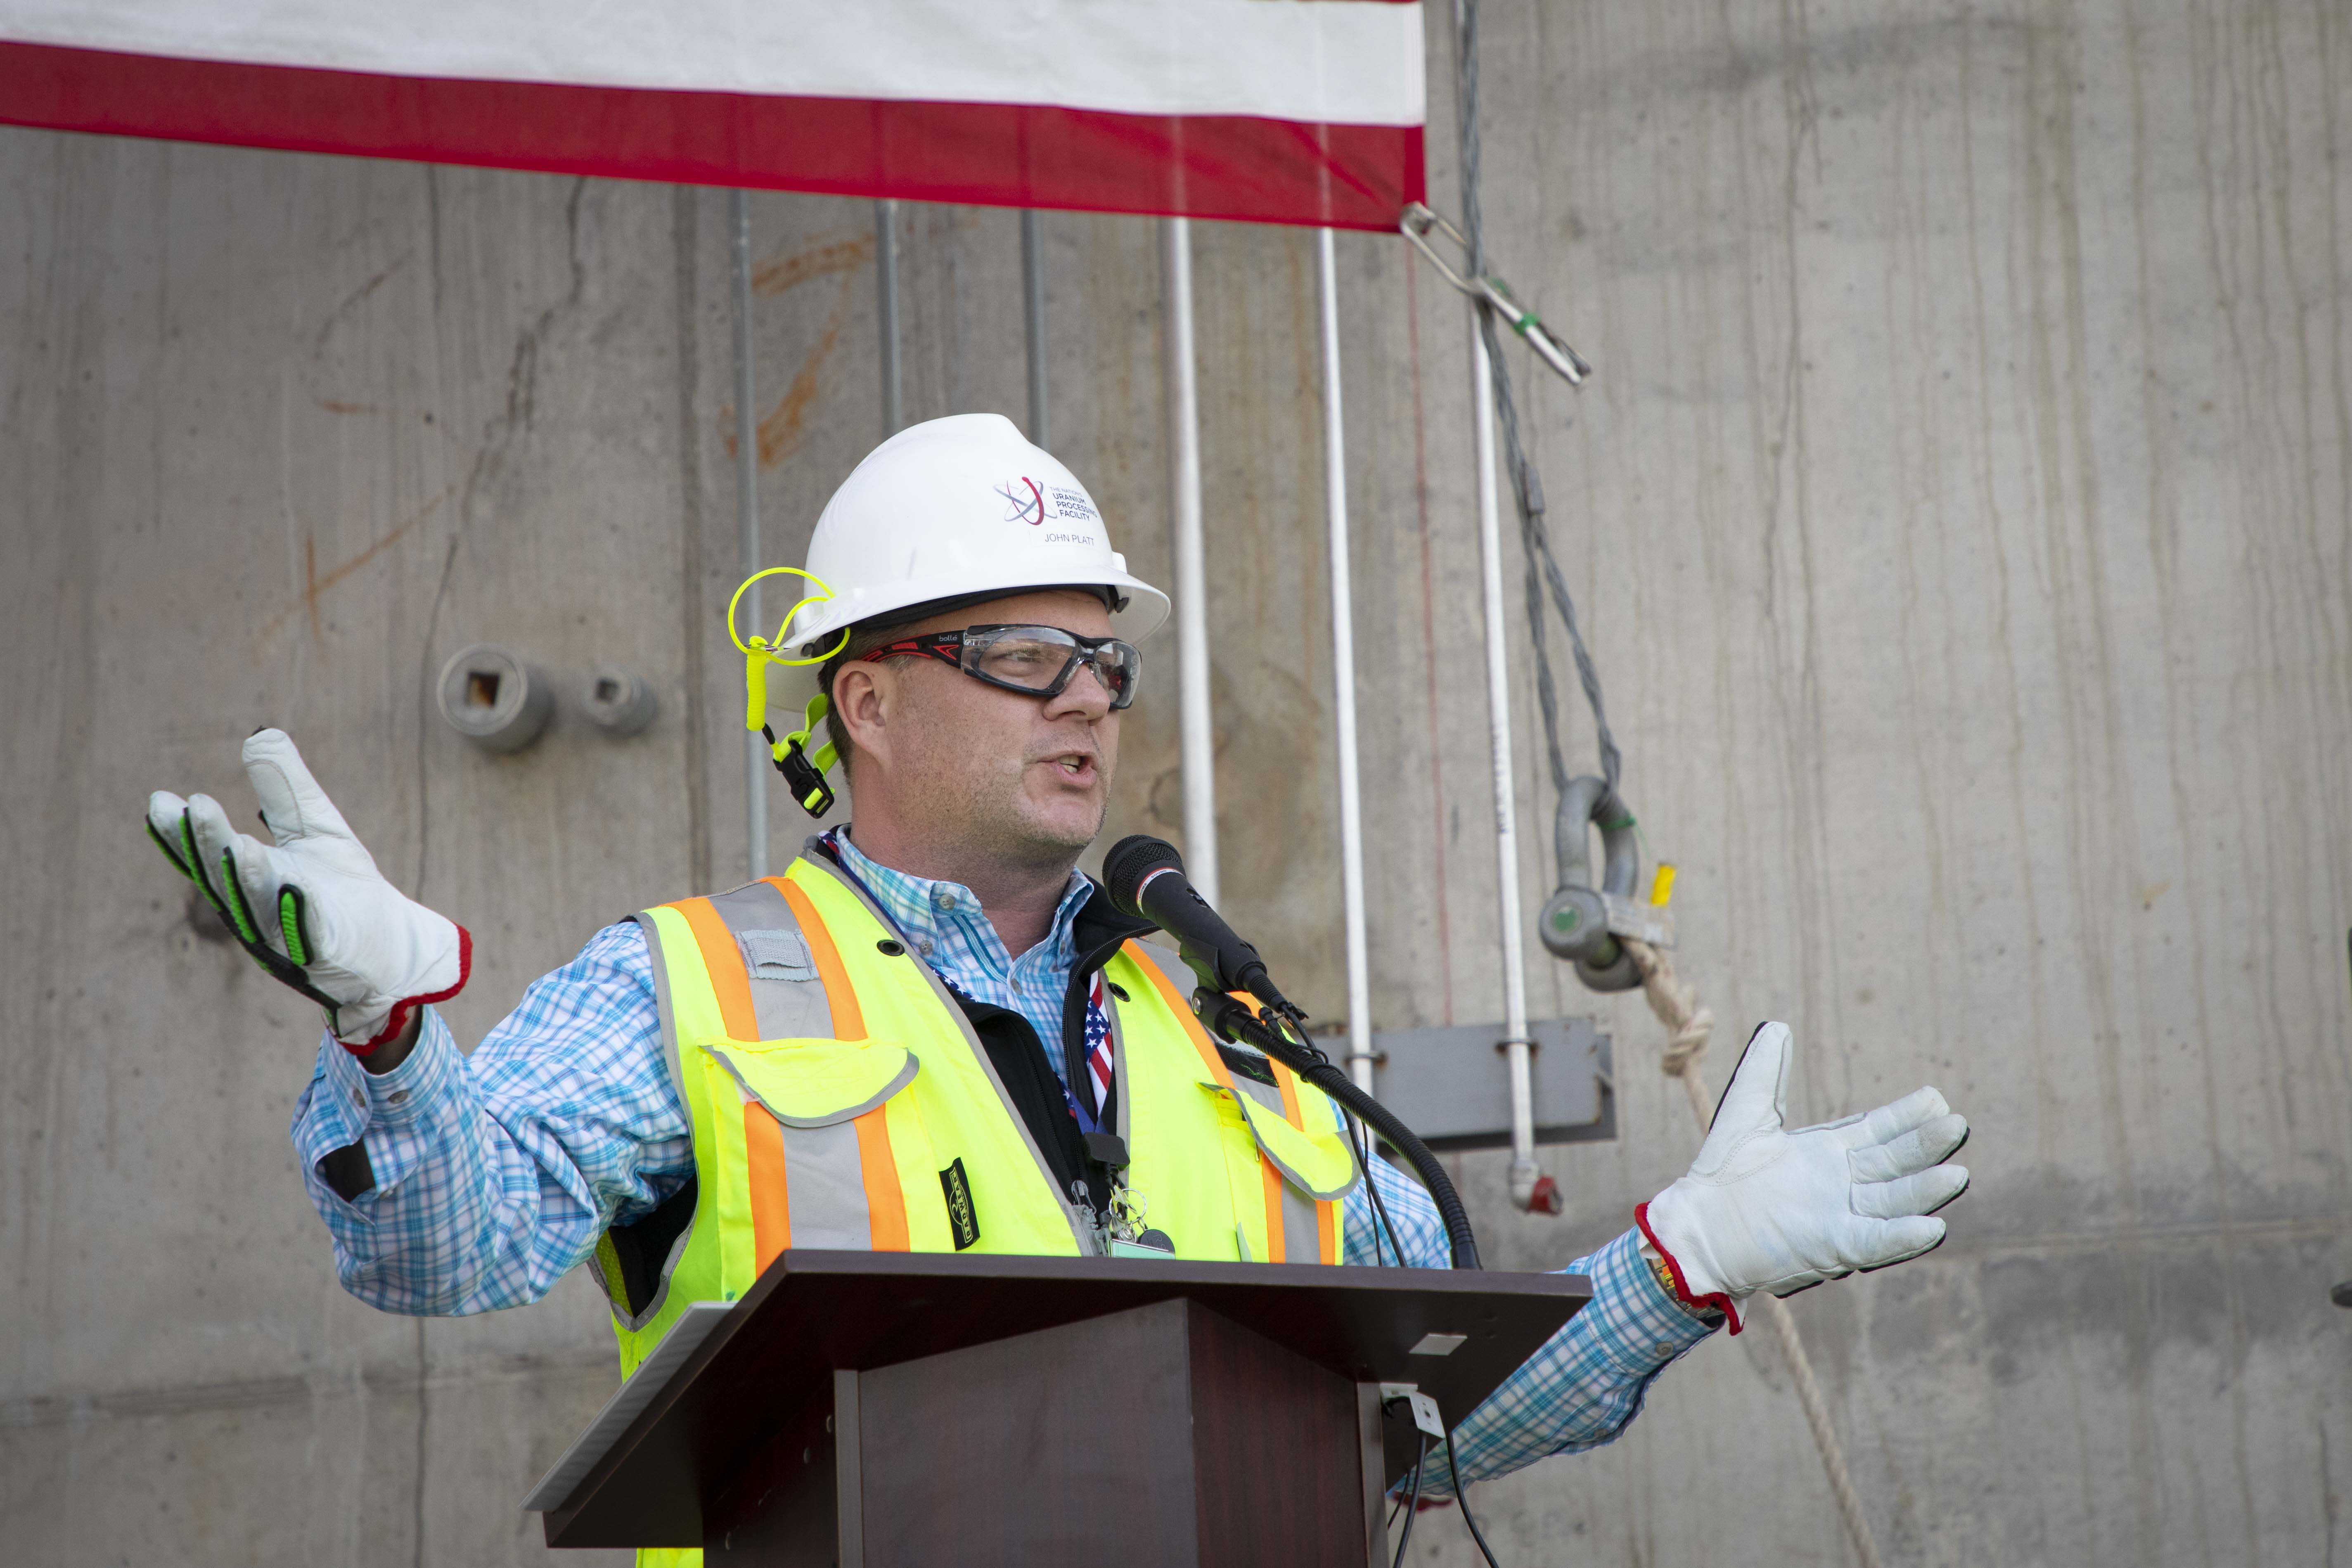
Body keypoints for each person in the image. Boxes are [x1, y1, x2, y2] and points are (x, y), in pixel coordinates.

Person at [147, 413, 1969, 1547]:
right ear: (865, 696)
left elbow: (1431, 1428)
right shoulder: (695, 984)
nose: (1090, 693)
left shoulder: (1224, 1040)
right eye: (1029, 652)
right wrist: (390, 1033)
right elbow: (439, 1248)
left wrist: (1681, 1258)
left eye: (1106, 660)